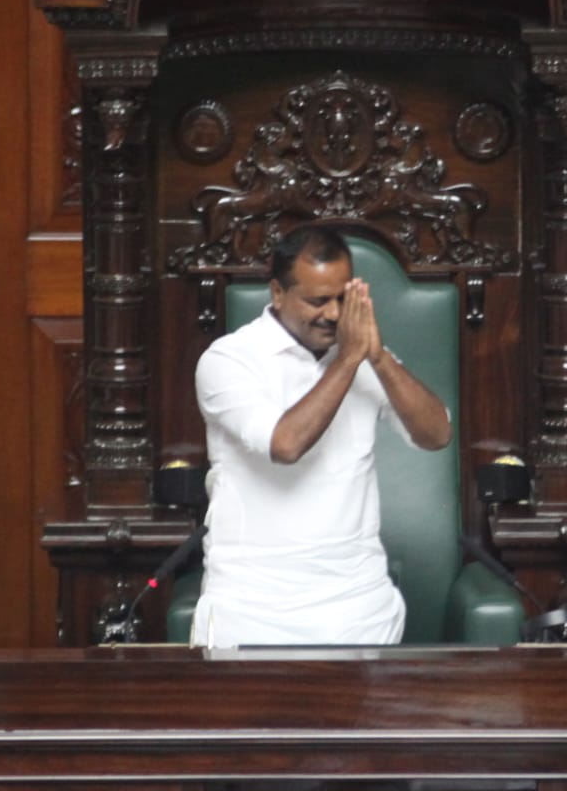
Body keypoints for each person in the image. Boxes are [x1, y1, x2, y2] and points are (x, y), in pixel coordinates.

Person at [190, 224, 452, 649]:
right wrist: (349, 361)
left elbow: (437, 434)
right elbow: (286, 444)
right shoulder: (227, 361)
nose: (332, 314)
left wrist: (379, 358)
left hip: (357, 609)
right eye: (317, 300)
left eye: (342, 298)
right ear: (277, 293)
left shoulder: (362, 355)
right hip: (251, 610)